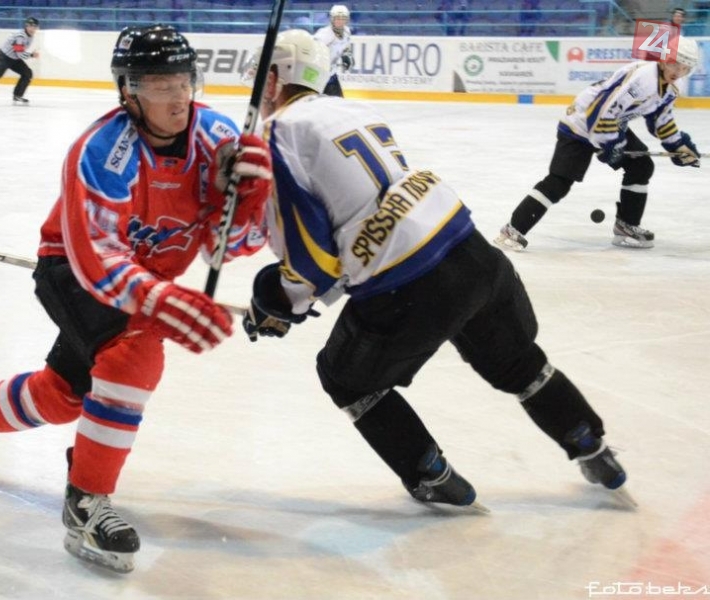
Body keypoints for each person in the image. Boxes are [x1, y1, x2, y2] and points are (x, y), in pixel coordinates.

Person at [240, 29, 632, 511]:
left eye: (259, 80)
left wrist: (277, 302)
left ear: (274, 79)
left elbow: (313, 261)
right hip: (475, 255)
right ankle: (590, 443)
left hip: (407, 288)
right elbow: (364, 212)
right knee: (517, 363)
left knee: (344, 377)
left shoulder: (277, 134)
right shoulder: (353, 110)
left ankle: (430, 472)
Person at [0, 24, 271, 573]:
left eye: (183, 82)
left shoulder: (218, 138)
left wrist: (249, 206)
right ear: (128, 92)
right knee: (136, 352)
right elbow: (99, 258)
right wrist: (162, 303)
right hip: (73, 270)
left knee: (66, 394)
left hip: (144, 280)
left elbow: (221, 247)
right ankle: (86, 502)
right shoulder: (100, 152)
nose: (178, 97)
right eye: (160, 86)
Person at [495, 37, 701, 251]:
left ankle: (626, 225)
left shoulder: (673, 86)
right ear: (664, 59)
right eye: (674, 64)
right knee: (560, 181)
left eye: (685, 67)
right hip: (581, 124)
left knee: (641, 165)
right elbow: (601, 109)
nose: (678, 71)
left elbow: (660, 118)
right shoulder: (643, 79)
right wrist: (610, 144)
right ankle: (513, 230)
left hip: (611, 123)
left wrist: (678, 146)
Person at [313, 4, 353, 97]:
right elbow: (313, 49)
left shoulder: (346, 32)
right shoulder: (324, 34)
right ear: (332, 19)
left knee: (338, 102)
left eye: (343, 18)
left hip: (331, 74)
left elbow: (346, 47)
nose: (340, 21)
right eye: (337, 18)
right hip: (319, 76)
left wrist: (346, 56)